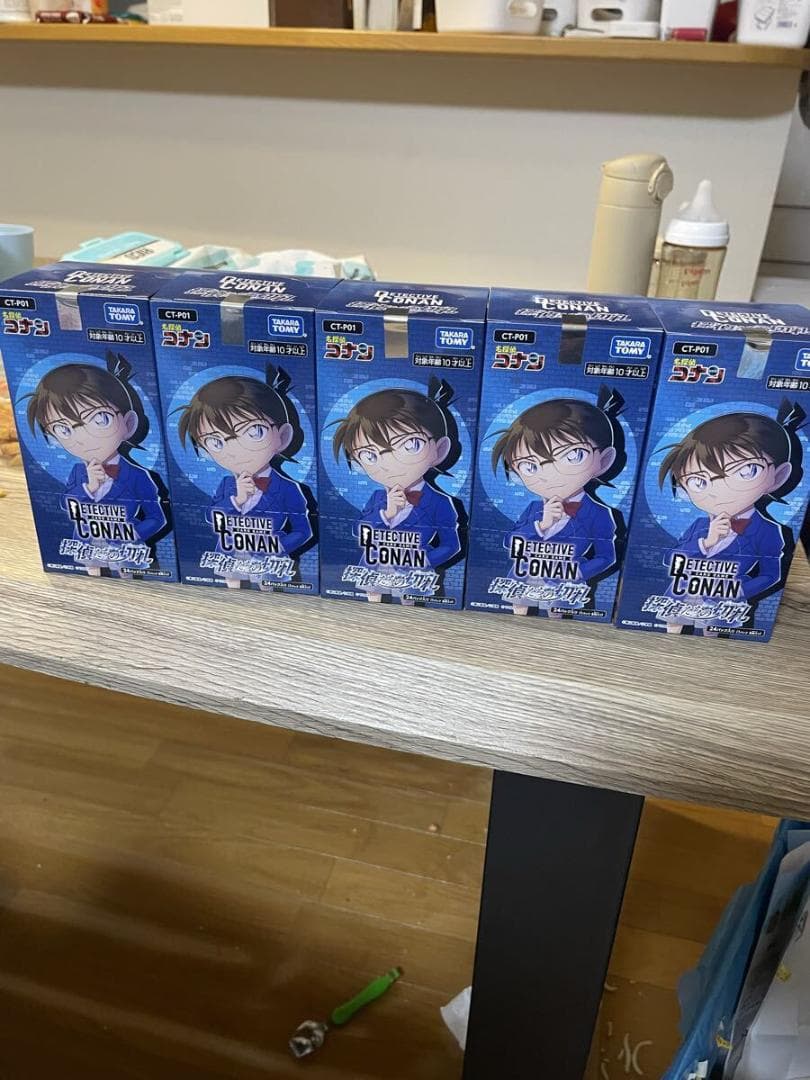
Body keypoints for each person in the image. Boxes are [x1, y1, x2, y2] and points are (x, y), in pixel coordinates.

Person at [657, 402, 805, 634]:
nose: (719, 490)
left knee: (711, 635)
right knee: (672, 629)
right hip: (681, 594)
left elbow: (771, 574)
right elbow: (670, 558)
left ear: (778, 476)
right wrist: (705, 543)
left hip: (724, 601)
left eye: (746, 472)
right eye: (698, 481)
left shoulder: (768, 531)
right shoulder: (699, 525)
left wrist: (736, 591)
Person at [25, 352, 166, 577]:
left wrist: (130, 535)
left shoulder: (138, 476)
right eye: (63, 429)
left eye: (100, 419)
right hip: (86, 547)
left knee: (129, 584)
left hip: (125, 550)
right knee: (89, 585)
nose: (82, 438)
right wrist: (89, 487)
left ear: (128, 424)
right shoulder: (78, 472)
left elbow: (157, 518)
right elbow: (68, 505)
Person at [178, 366, 314, 590]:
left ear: (282, 436)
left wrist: (277, 547)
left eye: (254, 432)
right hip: (231, 557)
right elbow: (213, 517)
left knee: (269, 594)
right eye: (215, 441)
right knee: (231, 594)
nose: (234, 450)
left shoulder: (288, 489)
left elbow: (303, 530)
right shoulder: (226, 485)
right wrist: (237, 500)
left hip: (269, 561)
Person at [491, 390, 625, 616]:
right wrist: (541, 525)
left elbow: (606, 557)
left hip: (564, 582)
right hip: (523, 577)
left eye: (572, 456)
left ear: (603, 461)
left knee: (556, 617)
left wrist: (576, 572)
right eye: (529, 466)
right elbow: (510, 541)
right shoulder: (534, 509)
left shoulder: (599, 514)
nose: (549, 475)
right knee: (517, 614)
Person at [331, 378, 462, 603]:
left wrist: (422, 561)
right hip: (374, 569)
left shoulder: (440, 502)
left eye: (410, 446)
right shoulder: (377, 498)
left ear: (439, 450)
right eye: (369, 455)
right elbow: (359, 531)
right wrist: (387, 514)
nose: (389, 463)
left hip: (413, 573)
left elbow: (451, 545)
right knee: (371, 607)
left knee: (408, 607)